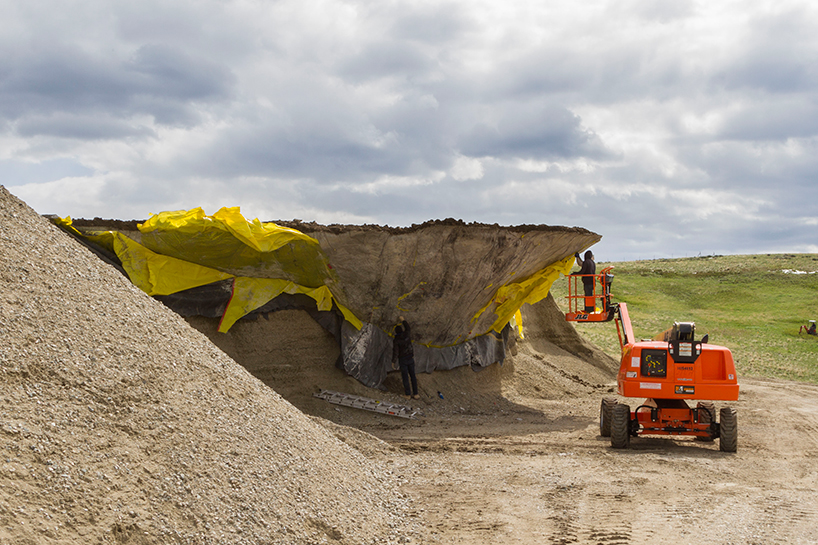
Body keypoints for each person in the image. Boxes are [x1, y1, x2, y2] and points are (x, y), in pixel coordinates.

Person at [392, 316, 419, 399]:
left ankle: (407, 394)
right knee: (413, 376)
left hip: (403, 360)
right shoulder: (407, 334)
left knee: (405, 377)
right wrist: (402, 320)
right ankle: (416, 394)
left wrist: (393, 361)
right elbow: (408, 327)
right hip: (410, 358)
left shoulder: (396, 340)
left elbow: (395, 352)